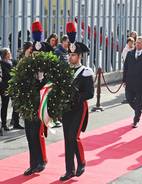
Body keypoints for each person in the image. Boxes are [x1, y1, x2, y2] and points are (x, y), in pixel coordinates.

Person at [60, 23, 94, 181]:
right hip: (65, 109)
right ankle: (69, 170)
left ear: (79, 56)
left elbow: (90, 93)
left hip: (79, 108)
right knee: (67, 138)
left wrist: (76, 96)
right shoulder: (65, 71)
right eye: (69, 54)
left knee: (73, 136)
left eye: (73, 55)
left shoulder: (85, 72)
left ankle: (81, 162)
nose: (70, 57)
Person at [22, 21, 49, 176]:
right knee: (28, 134)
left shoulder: (45, 71)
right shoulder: (26, 66)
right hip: (27, 103)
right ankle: (34, 163)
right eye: (34, 53)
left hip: (39, 102)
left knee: (35, 133)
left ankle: (40, 161)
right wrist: (26, 58)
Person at [123, 36, 142, 128]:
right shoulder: (130, 53)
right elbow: (126, 67)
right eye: (137, 42)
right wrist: (124, 80)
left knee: (139, 101)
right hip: (130, 81)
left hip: (141, 82)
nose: (137, 44)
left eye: (140, 43)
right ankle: (139, 110)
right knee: (129, 98)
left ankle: (136, 120)